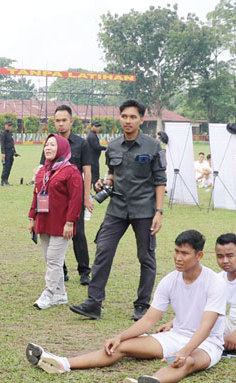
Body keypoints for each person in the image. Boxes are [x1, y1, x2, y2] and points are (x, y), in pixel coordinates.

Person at [27, 230, 226, 383]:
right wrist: (120, 337)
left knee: (187, 361)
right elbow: (149, 319)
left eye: (185, 253)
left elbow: (206, 327)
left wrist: (184, 352)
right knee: (120, 347)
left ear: (199, 255)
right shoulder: (169, 280)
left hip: (207, 343)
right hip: (175, 337)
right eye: (176, 251)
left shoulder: (214, 282)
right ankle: (63, 363)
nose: (178, 258)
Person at [69, 99, 166, 321]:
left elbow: (160, 180)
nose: (128, 121)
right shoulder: (112, 146)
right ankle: (93, 303)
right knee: (103, 250)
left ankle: (142, 305)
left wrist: (159, 212)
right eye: (124, 116)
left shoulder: (153, 146)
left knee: (146, 256)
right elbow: (113, 172)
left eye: (133, 117)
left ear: (141, 120)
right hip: (117, 208)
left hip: (144, 210)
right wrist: (105, 182)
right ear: (119, 118)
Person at [159, 234, 236, 352]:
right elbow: (199, 309)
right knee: (200, 326)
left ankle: (208, 344)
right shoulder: (218, 279)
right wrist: (172, 323)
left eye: (230, 256)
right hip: (231, 322)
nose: (225, 261)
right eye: (220, 256)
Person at [40, 105, 93, 285]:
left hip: (74, 197)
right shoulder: (50, 143)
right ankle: (61, 271)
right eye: (57, 121)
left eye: (64, 120)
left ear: (71, 121)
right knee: (54, 233)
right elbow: (43, 170)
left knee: (78, 234)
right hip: (54, 198)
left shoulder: (82, 144)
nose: (61, 124)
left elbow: (87, 171)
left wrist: (86, 197)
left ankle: (84, 271)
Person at [28, 135, 83, 309]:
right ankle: (60, 294)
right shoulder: (42, 171)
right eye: (46, 145)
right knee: (50, 260)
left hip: (62, 223)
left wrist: (70, 222)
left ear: (62, 148)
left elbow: (76, 199)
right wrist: (32, 217)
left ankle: (48, 294)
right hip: (44, 220)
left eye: (53, 145)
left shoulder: (71, 171)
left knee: (53, 260)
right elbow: (36, 195)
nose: (48, 148)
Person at [86, 121, 106, 187]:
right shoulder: (92, 136)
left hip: (92, 159)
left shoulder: (92, 135)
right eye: (96, 126)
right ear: (92, 126)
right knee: (95, 177)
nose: (98, 128)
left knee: (93, 177)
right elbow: (96, 147)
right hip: (93, 160)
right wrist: (106, 148)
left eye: (98, 126)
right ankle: (96, 189)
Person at [0, 120, 15, 186]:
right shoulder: (3, 133)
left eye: (10, 126)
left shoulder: (10, 133)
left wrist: (14, 152)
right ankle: (3, 181)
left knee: (9, 166)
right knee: (6, 166)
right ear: (5, 125)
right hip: (6, 152)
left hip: (11, 152)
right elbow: (2, 144)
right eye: (8, 125)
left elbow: (11, 143)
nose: (9, 127)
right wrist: (3, 153)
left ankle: (6, 180)